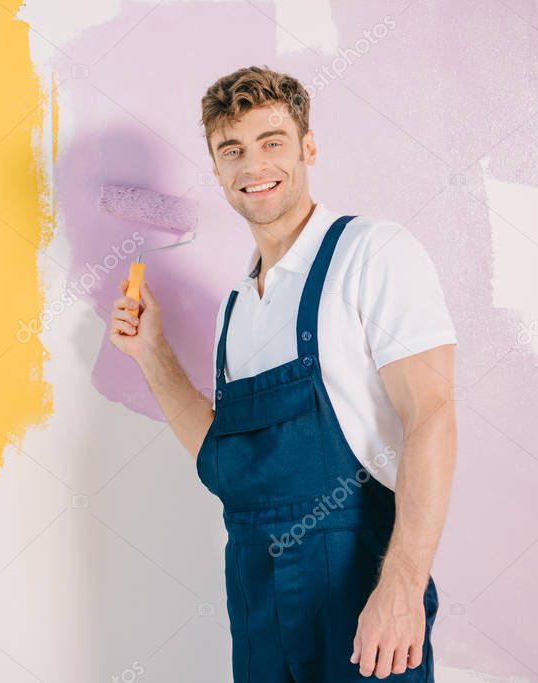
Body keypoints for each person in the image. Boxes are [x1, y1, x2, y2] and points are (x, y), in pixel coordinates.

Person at [109, 66, 457, 681]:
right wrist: (153, 356)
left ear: (309, 147)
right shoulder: (235, 308)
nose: (253, 165)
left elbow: (431, 415)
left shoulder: (370, 252)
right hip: (257, 601)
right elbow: (223, 460)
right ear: (217, 169)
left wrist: (402, 586)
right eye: (232, 150)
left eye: (272, 142)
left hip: (358, 590)